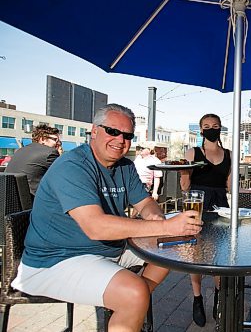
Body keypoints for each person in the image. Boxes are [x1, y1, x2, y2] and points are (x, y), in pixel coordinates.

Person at [11, 104, 203, 332]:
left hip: (108, 250)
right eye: (112, 131)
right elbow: (96, 227)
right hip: (56, 260)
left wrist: (155, 219)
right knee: (134, 292)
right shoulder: (73, 166)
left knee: (177, 248)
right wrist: (166, 226)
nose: (120, 140)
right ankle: (131, 303)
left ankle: (128, 306)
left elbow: (146, 202)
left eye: (127, 135)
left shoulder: (125, 166)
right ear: (94, 131)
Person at [180, 113, 229, 327]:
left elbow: (229, 186)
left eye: (215, 125)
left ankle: (219, 295)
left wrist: (250, 191)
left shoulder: (229, 154)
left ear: (220, 129)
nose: (211, 129)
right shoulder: (193, 152)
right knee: (196, 254)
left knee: (219, 254)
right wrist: (184, 171)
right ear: (201, 131)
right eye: (207, 126)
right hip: (197, 205)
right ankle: (197, 299)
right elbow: (184, 186)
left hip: (220, 208)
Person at [5, 124, 61, 197]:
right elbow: (63, 175)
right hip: (32, 199)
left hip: (10, 199)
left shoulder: (20, 150)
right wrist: (60, 155)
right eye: (55, 139)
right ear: (43, 139)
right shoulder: (49, 152)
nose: (58, 143)